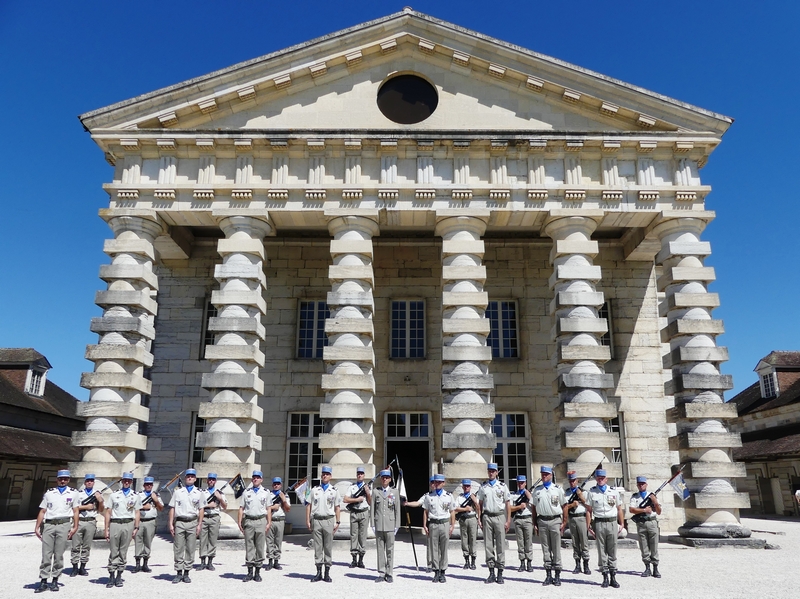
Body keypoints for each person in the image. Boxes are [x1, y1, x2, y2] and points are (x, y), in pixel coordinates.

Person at [34, 469, 79, 593]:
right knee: (46, 554)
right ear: (57, 480)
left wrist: (75, 526)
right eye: (60, 479)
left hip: (63, 524)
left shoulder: (74, 493)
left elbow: (75, 510)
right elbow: (43, 510)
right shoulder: (49, 493)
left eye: (65, 479)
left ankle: (55, 579)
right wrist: (37, 526)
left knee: (59, 554)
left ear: (68, 480)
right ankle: (43, 580)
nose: (62, 481)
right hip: (49, 524)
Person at [585, 469, 624, 589]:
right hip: (599, 523)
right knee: (601, 550)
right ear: (596, 479)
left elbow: (619, 508)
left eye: (602, 478)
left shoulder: (613, 491)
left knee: (612, 549)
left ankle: (613, 576)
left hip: (612, 522)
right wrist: (588, 526)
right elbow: (589, 510)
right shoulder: (592, 492)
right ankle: (605, 576)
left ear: (606, 479)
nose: (600, 479)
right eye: (598, 478)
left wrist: (622, 523)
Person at [104, 472, 141, 588]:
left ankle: (119, 575)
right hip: (115, 523)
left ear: (131, 482)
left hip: (128, 524)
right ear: (122, 481)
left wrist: (136, 527)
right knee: (113, 550)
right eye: (125, 480)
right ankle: (111, 575)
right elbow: (108, 512)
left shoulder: (135, 496)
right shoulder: (114, 495)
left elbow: (137, 512)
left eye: (129, 481)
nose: (126, 482)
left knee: (123, 551)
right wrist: (106, 529)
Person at [531, 466, 566, 586]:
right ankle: (548, 575)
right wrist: (534, 523)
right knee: (545, 549)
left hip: (555, 520)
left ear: (551, 475)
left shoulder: (557, 489)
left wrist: (564, 522)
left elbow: (565, 505)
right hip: (542, 520)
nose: (544, 476)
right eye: (542, 474)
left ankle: (557, 575)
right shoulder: (537, 490)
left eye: (546, 474)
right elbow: (533, 507)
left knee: (556, 549)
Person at [168, 469, 204, 584]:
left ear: (195, 479)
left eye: (192, 476)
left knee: (190, 547)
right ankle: (179, 572)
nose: (190, 478)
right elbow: (172, 508)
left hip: (192, 522)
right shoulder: (178, 492)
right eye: (188, 476)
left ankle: (187, 572)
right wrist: (170, 523)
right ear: (185, 478)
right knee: (178, 547)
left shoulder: (199, 493)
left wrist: (199, 524)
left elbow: (201, 509)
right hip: (180, 522)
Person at [476, 462, 511, 584]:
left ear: (496, 472)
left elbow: (508, 503)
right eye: (489, 471)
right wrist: (479, 518)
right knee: (488, 545)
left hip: (499, 516)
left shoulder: (502, 486)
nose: (491, 473)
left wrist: (508, 520)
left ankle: (500, 572)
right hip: (487, 516)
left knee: (500, 544)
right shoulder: (483, 487)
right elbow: (480, 504)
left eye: (493, 471)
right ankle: (491, 572)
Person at [306, 465, 341, 582]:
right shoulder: (314, 490)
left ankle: (327, 572)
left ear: (330, 476)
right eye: (323, 474)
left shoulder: (334, 491)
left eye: (327, 474)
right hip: (316, 520)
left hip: (329, 520)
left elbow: (337, 507)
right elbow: (309, 505)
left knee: (328, 546)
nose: (325, 476)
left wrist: (338, 521)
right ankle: (318, 572)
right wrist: (307, 520)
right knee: (318, 547)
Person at [237, 470, 272, 582]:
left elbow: (268, 508)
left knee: (260, 547)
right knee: (249, 546)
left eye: (258, 477)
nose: (255, 479)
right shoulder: (246, 492)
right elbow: (241, 508)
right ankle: (249, 572)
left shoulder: (266, 492)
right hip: (249, 521)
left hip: (261, 520)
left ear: (261, 479)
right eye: (254, 477)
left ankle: (257, 572)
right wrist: (239, 522)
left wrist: (269, 522)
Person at [421, 473, 455, 583]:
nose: (437, 484)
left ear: (443, 483)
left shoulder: (449, 496)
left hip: (444, 523)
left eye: (440, 482)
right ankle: (436, 571)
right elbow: (425, 511)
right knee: (434, 548)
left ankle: (443, 572)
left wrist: (452, 525)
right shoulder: (429, 496)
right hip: (433, 523)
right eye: (436, 482)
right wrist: (425, 525)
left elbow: (452, 511)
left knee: (444, 548)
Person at [70, 473, 103, 577]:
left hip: (91, 521)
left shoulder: (97, 494)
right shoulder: (78, 494)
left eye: (91, 481)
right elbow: (73, 507)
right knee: (75, 545)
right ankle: (74, 567)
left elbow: (101, 510)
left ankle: (83, 567)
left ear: (93, 483)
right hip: (79, 520)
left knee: (86, 546)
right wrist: (85, 507)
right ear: (85, 482)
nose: (89, 483)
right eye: (88, 481)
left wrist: (100, 501)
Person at [371, 469, 400, 583]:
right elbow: (372, 509)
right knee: (380, 549)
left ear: (390, 479)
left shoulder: (394, 492)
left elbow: (397, 510)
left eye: (387, 478)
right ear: (380, 479)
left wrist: (397, 525)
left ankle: (389, 573)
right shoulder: (375, 492)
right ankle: (381, 572)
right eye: (383, 477)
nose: (385, 479)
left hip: (390, 524)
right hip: (379, 524)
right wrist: (372, 524)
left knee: (390, 550)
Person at [629, 476, 661, 578]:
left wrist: (655, 502)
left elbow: (659, 512)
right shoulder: (635, 497)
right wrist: (644, 510)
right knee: (643, 546)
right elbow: (631, 510)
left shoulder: (652, 496)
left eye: (643, 484)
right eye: (639, 484)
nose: (641, 485)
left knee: (654, 545)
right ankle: (647, 567)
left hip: (652, 522)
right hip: (641, 523)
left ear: (646, 485)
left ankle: (655, 568)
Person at [403, 475, 436, 572]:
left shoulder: (445, 495)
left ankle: (439, 565)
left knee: (440, 544)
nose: (434, 484)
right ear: (430, 484)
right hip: (431, 522)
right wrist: (407, 503)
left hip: (441, 522)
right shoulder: (427, 496)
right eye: (432, 483)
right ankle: (430, 564)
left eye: (435, 482)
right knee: (430, 544)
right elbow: (418, 503)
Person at [562, 471, 590, 575]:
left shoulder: (583, 492)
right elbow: (564, 507)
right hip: (572, 518)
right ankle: (577, 564)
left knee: (584, 542)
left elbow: (589, 506)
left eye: (574, 481)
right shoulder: (567, 493)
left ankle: (586, 564)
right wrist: (572, 505)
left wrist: (581, 496)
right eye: (570, 481)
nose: (572, 483)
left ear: (577, 481)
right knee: (575, 542)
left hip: (581, 517)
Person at [343, 466, 371, 568]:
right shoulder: (352, 487)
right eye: (358, 474)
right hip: (354, 512)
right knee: (354, 535)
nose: (360, 475)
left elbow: (370, 502)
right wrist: (356, 500)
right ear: (356, 475)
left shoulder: (367, 487)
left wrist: (367, 493)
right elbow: (345, 499)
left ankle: (361, 559)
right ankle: (354, 559)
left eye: (361, 474)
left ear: (364, 475)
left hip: (364, 512)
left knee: (363, 535)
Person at [134, 476, 163, 573]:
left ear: (152, 485)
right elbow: (132, 507)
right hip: (140, 521)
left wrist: (156, 500)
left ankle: (145, 564)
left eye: (150, 484)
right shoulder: (138, 495)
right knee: (138, 541)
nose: (149, 486)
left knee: (148, 542)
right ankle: (137, 564)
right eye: (147, 484)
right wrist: (143, 507)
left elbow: (161, 508)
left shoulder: (156, 495)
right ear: (144, 485)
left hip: (150, 521)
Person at [199, 472, 227, 571]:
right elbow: (198, 505)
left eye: (213, 479)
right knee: (203, 540)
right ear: (207, 481)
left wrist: (220, 498)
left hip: (214, 517)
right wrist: (208, 505)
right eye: (210, 479)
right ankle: (202, 562)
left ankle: (210, 562)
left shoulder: (220, 493)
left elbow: (225, 506)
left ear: (215, 481)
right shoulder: (202, 492)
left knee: (212, 540)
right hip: (204, 517)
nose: (211, 481)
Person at [454, 479, 480, 570]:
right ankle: (466, 560)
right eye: (465, 486)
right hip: (463, 519)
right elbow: (455, 508)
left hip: (472, 518)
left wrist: (475, 501)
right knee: (464, 540)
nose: (466, 488)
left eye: (468, 486)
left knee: (473, 539)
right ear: (462, 487)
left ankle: (473, 560)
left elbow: (479, 508)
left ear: (470, 487)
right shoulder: (459, 497)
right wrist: (465, 509)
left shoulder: (473, 497)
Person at [266, 476, 290, 571]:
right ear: (272, 485)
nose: (276, 485)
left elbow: (288, 509)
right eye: (275, 484)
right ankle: (270, 561)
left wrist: (284, 500)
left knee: (278, 541)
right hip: (270, 519)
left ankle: (276, 561)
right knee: (269, 541)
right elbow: (264, 507)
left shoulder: (284, 495)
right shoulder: (268, 495)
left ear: (281, 485)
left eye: (278, 484)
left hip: (280, 520)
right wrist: (273, 507)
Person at [510, 474, 533, 573]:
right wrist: (519, 507)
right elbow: (510, 508)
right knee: (520, 542)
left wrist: (529, 496)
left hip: (527, 519)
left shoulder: (529, 494)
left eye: (522, 483)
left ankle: (529, 562)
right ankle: (522, 562)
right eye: (519, 483)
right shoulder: (513, 495)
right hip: (518, 519)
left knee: (528, 541)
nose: (520, 484)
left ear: (525, 483)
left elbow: (534, 505)